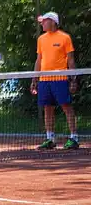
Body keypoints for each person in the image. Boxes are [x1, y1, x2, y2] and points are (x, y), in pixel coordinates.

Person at [31, 12, 80, 150]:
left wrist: (73, 80)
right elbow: (39, 60)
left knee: (66, 107)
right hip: (44, 80)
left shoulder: (65, 38)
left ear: (53, 22)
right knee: (47, 109)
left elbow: (70, 60)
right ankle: (50, 138)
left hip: (61, 79)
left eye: (44, 21)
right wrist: (35, 79)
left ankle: (74, 138)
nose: (42, 24)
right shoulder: (41, 39)